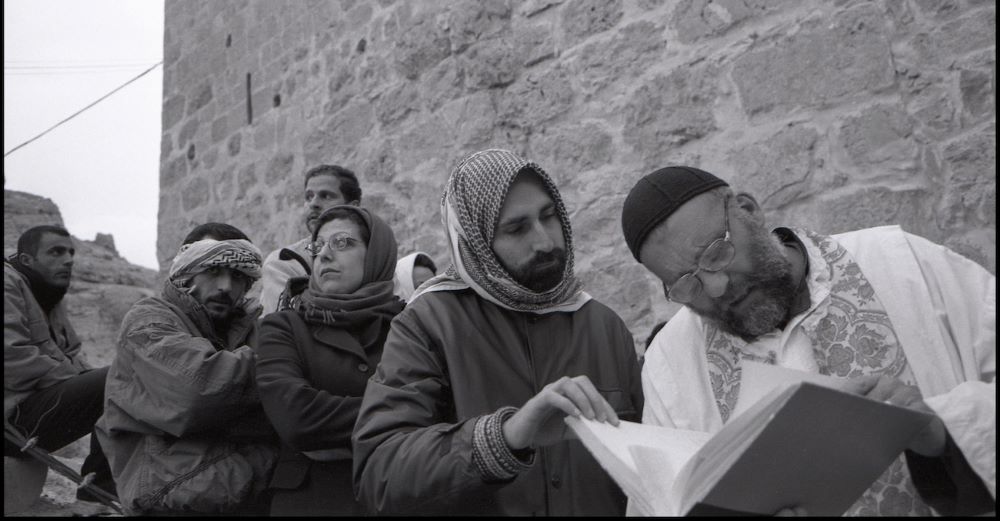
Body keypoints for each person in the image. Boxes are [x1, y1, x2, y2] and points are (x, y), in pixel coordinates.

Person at [621, 165, 996, 515]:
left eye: (717, 255)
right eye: (688, 284)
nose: (716, 289)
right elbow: (665, 503)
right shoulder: (670, 363)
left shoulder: (903, 263)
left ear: (748, 210)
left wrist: (944, 430)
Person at [353, 148, 643, 516]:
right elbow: (380, 471)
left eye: (549, 216)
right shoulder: (429, 323)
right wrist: (504, 439)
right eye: (516, 228)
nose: (545, 241)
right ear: (475, 242)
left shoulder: (604, 325)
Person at [95, 222, 280, 516]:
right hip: (172, 497)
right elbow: (198, 390)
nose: (225, 287)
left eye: (237, 276)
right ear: (185, 271)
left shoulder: (244, 326)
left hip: (241, 488)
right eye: (213, 271)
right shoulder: (148, 320)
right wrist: (279, 365)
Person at [256, 206, 405, 515]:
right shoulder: (284, 327)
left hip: (398, 497)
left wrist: (334, 430)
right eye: (318, 246)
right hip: (312, 501)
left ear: (376, 254)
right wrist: (401, 412)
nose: (323, 255)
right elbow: (296, 418)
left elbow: (442, 407)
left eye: (342, 242)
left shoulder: (410, 326)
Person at [4, 225, 116, 503]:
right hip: (11, 420)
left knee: (125, 380)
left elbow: (71, 352)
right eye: (56, 252)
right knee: (118, 381)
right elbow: (11, 357)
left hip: (32, 409)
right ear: (28, 260)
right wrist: (80, 381)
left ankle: (100, 497)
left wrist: (84, 378)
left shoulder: (47, 290)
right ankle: (95, 500)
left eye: (70, 252)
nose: (68, 259)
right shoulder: (6, 284)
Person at [254, 164, 363, 316]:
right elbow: (286, 324)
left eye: (326, 196)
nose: (313, 204)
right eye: (309, 197)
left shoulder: (373, 256)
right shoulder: (284, 262)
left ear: (353, 207)